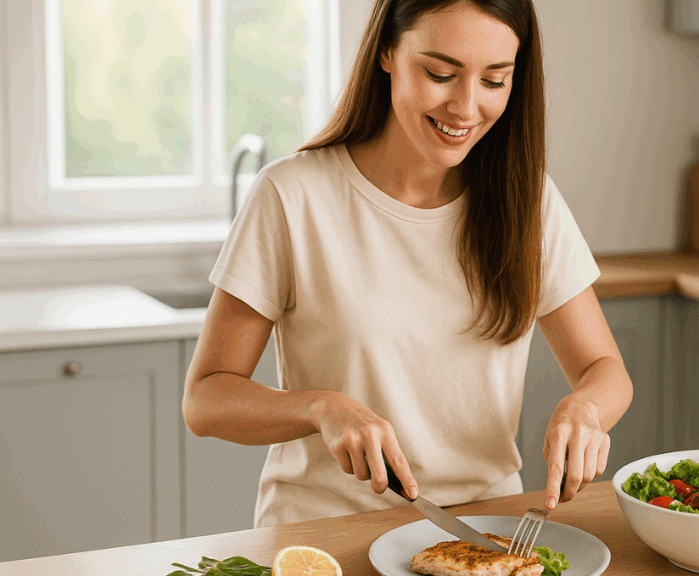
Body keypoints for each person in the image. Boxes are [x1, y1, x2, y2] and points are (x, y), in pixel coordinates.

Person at [182, 0, 633, 528]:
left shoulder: (526, 201)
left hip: (483, 531)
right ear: (387, 52)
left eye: (494, 81)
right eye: (440, 74)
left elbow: (606, 372)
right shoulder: (293, 195)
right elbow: (207, 399)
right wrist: (320, 408)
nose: (465, 108)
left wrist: (584, 409)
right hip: (325, 532)